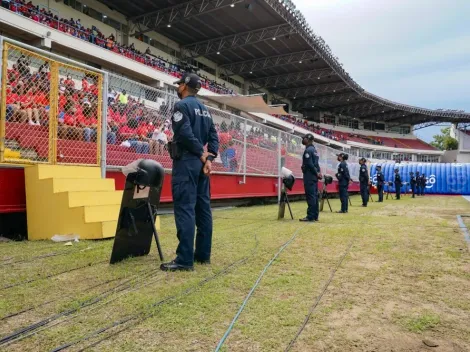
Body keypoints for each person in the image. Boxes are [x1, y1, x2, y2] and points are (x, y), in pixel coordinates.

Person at [160, 73, 219, 272]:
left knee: (185, 208)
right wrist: (209, 158)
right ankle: (202, 255)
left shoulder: (182, 106)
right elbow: (214, 137)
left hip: (187, 162)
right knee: (203, 209)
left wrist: (203, 155)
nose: (178, 88)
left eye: (179, 85)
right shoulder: (206, 110)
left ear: (185, 86)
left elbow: (184, 133)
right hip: (202, 166)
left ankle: (184, 259)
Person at [299, 133, 321, 222]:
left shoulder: (308, 150)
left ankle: (310, 216)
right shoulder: (314, 150)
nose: (303, 140)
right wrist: (318, 173)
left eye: (304, 138)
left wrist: (316, 173)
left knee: (310, 196)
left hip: (309, 176)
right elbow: (316, 164)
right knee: (314, 196)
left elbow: (310, 164)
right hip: (314, 176)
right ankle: (315, 215)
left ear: (308, 139)